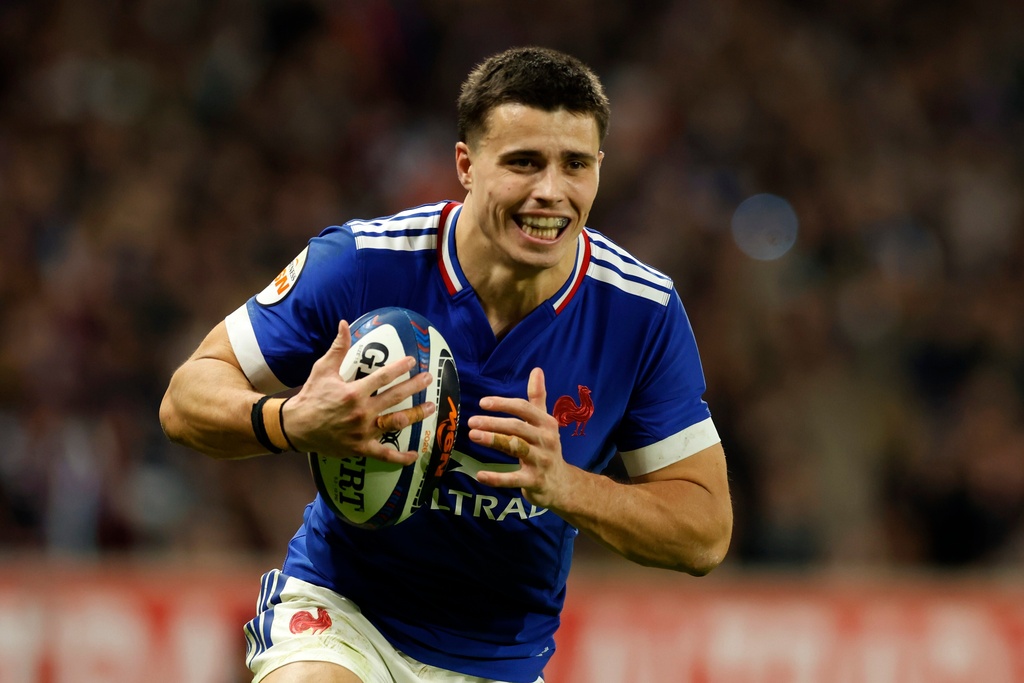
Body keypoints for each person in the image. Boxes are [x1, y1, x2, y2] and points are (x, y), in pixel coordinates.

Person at [160, 46, 732, 683]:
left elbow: (704, 532)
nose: (550, 192)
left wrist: (566, 486)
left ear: (599, 168)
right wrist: (289, 421)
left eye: (575, 165)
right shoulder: (364, 263)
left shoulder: (641, 313)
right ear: (466, 165)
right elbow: (185, 398)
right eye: (523, 162)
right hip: (344, 614)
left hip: (499, 661)